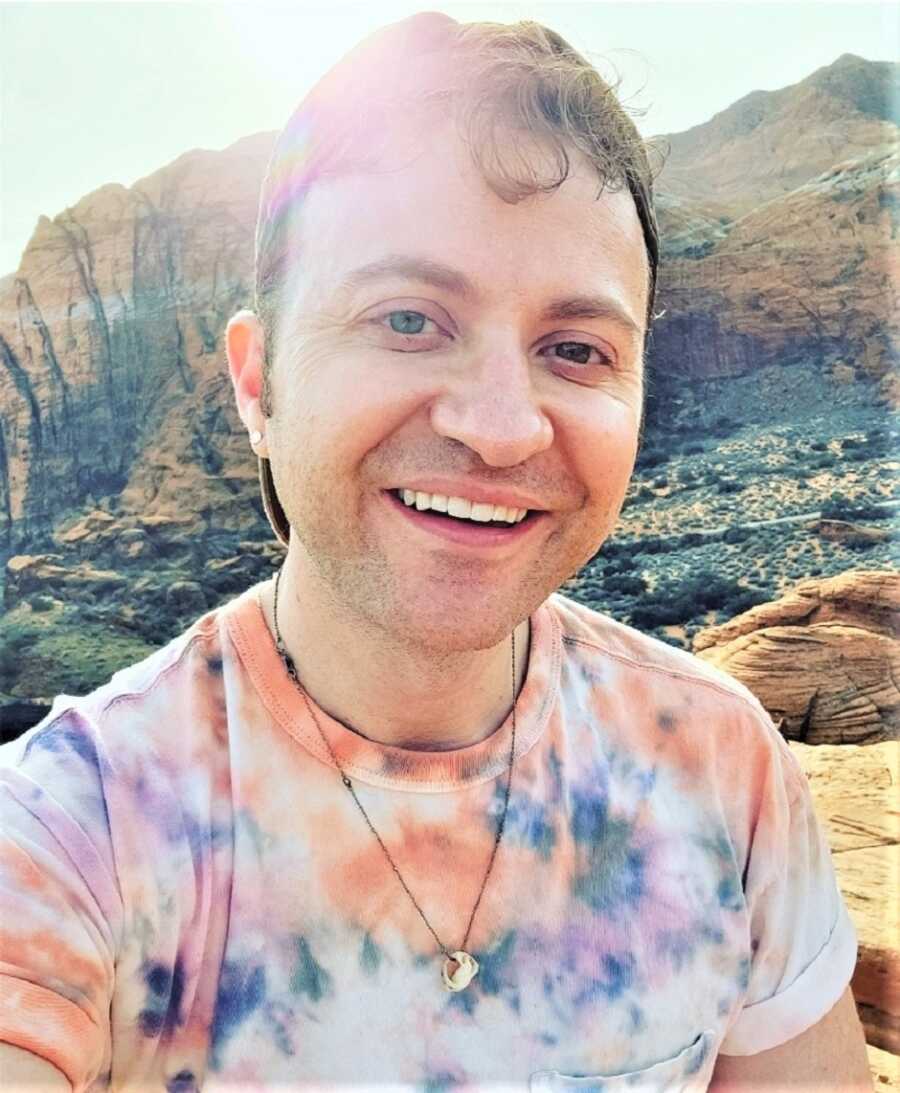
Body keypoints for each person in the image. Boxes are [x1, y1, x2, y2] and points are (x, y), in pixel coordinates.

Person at [0, 11, 872, 1092]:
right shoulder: (67, 827)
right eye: (409, 319)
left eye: (575, 349)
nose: (501, 428)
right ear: (258, 378)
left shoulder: (720, 767)